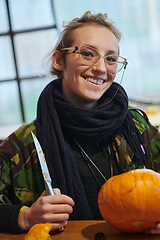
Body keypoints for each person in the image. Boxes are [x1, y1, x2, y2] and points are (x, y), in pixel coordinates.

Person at [0, 11, 160, 234]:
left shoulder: (136, 127)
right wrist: (24, 217)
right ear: (58, 61)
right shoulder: (23, 144)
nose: (101, 68)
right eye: (87, 54)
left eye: (111, 59)